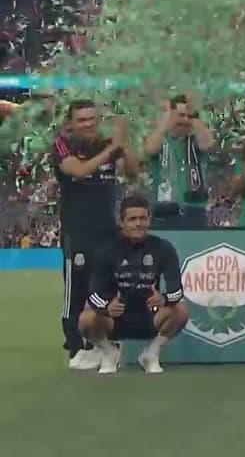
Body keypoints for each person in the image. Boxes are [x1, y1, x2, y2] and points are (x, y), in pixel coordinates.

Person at [55, 100, 140, 370]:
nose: (88, 124)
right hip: (77, 233)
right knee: (77, 291)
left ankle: (102, 343)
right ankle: (76, 349)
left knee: (106, 290)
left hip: (108, 231)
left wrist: (125, 146)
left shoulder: (107, 145)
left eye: (92, 118)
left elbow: (133, 172)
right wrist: (112, 149)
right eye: (82, 120)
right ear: (71, 123)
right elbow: (78, 171)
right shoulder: (61, 145)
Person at [78, 193, 188, 375]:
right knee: (86, 319)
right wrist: (107, 308)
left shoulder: (164, 248)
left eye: (143, 218)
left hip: (150, 315)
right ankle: (109, 351)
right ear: (122, 223)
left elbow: (177, 291)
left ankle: (151, 354)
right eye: (132, 219)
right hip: (114, 319)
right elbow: (92, 294)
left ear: (149, 220)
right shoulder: (106, 251)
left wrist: (164, 299)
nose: (138, 224)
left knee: (182, 311)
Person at [142, 94, 213, 228]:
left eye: (189, 116)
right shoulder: (161, 140)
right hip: (165, 211)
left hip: (194, 210)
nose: (185, 120)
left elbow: (207, 143)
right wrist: (167, 119)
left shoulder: (194, 142)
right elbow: (150, 149)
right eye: (180, 115)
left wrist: (195, 116)